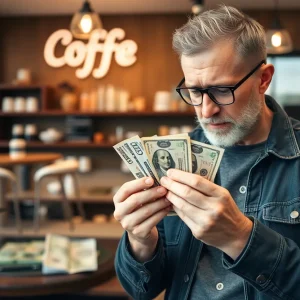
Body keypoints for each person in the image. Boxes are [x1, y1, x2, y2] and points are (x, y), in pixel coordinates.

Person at [113, 5, 300, 300]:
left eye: (223, 90)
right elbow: (140, 290)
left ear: (264, 79)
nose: (206, 110)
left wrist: (241, 238)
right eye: (195, 91)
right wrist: (140, 242)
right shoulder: (174, 160)